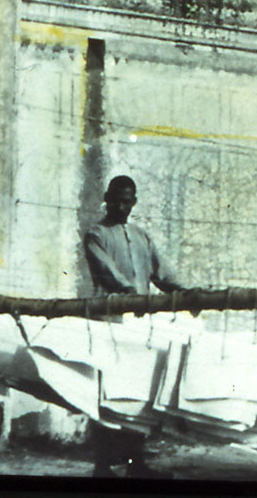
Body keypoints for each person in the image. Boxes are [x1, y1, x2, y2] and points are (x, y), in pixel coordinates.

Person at [84, 175, 187, 478]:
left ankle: (135, 463)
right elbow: (109, 273)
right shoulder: (96, 234)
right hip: (110, 322)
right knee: (106, 394)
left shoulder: (142, 236)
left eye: (126, 201)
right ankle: (102, 465)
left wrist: (187, 292)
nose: (120, 206)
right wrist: (132, 294)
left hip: (140, 326)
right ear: (106, 197)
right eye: (115, 200)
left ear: (134, 202)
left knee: (139, 391)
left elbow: (163, 273)